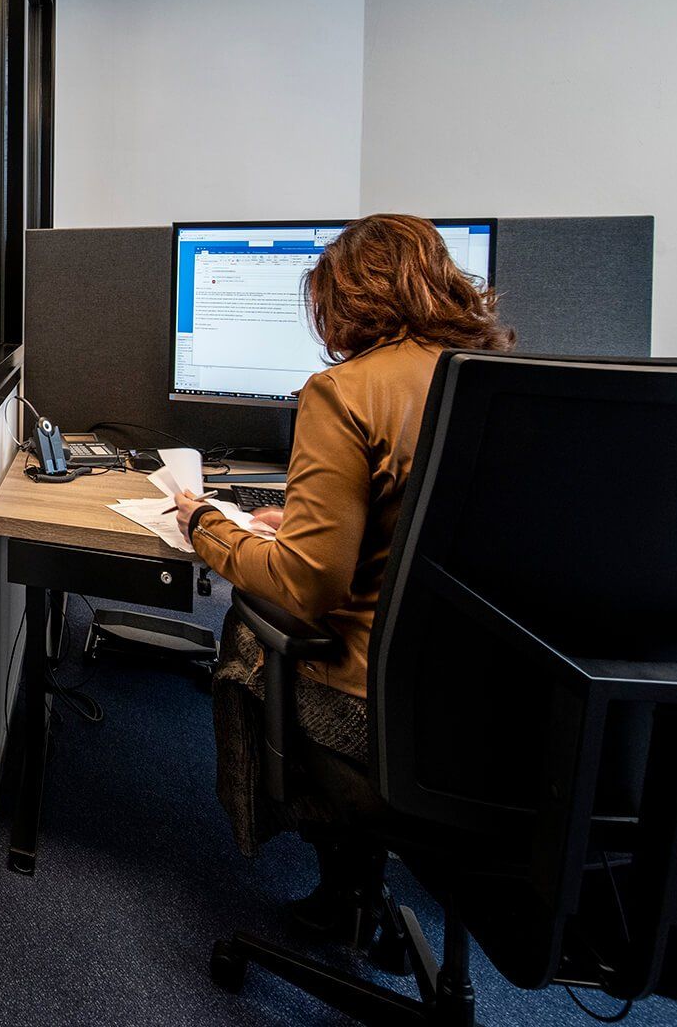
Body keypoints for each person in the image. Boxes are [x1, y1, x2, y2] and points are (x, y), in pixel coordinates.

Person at [170, 214, 514, 931]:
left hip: (376, 711)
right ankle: (358, 884)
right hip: (500, 700)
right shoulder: (503, 379)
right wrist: (301, 521)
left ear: (345, 300)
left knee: (249, 624)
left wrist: (207, 524)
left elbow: (306, 585)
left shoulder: (345, 390)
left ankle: (330, 873)